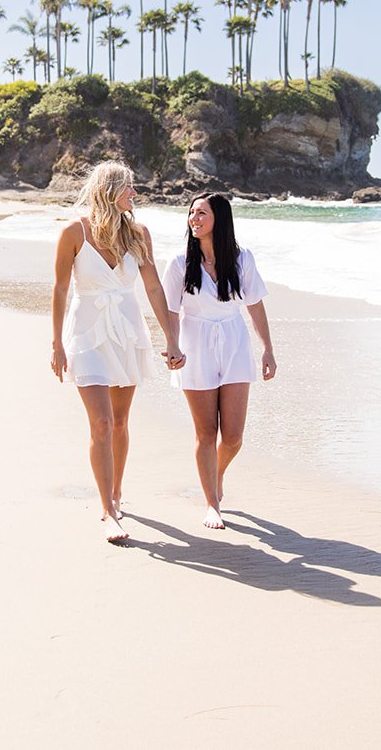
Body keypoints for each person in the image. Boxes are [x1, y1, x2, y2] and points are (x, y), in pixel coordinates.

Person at [51, 161, 184, 542]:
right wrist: (56, 342)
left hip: (126, 333)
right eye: (129, 187)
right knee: (102, 423)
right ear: (109, 189)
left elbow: (154, 288)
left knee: (121, 423)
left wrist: (171, 339)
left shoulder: (138, 233)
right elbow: (60, 289)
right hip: (87, 334)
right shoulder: (73, 232)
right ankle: (107, 510)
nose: (135, 194)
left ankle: (116, 493)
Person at [161, 193, 276, 529]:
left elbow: (254, 304)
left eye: (201, 213)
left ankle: (216, 472)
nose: (194, 218)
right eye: (191, 213)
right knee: (206, 433)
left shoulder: (242, 260)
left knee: (234, 436)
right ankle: (212, 502)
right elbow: (169, 310)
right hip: (194, 345)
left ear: (219, 219)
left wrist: (267, 348)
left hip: (235, 344)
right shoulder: (179, 263)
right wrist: (171, 345)